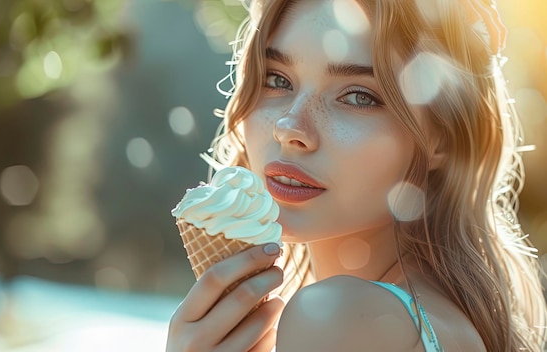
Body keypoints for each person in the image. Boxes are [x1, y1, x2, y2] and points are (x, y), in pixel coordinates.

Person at [166, 0, 547, 351]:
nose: (289, 127)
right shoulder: (443, 323)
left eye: (358, 96)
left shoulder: (338, 316)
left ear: (441, 139)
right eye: (277, 79)